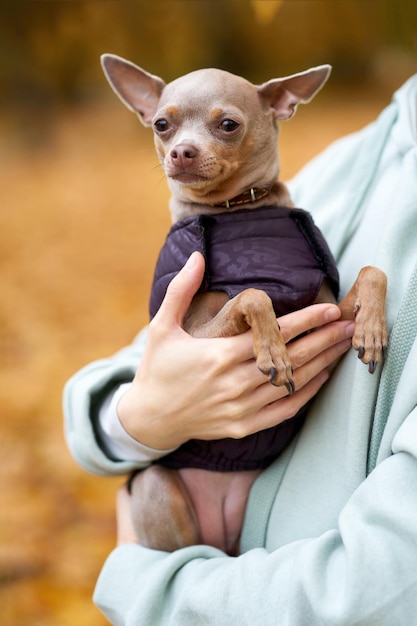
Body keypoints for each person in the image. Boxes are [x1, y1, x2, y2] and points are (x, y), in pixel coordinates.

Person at [64, 73, 417, 625]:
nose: (182, 148)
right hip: (182, 490)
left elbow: (382, 590)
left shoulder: (288, 197)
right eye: (165, 126)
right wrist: (138, 420)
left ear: (281, 104)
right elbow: (121, 377)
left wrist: (145, 589)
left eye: (225, 127)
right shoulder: (345, 162)